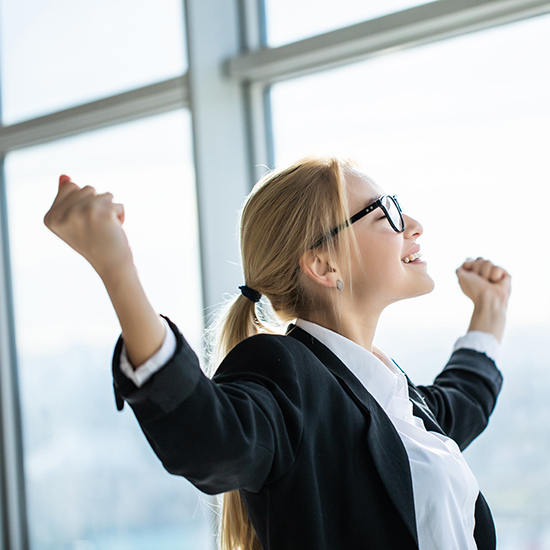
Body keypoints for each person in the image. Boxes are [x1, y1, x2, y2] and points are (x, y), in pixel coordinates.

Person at [44, 157, 511, 550]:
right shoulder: (283, 369)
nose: (412, 224)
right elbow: (207, 436)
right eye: (383, 212)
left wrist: (489, 312)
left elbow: (457, 404)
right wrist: (116, 268)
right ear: (323, 265)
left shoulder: (387, 390)